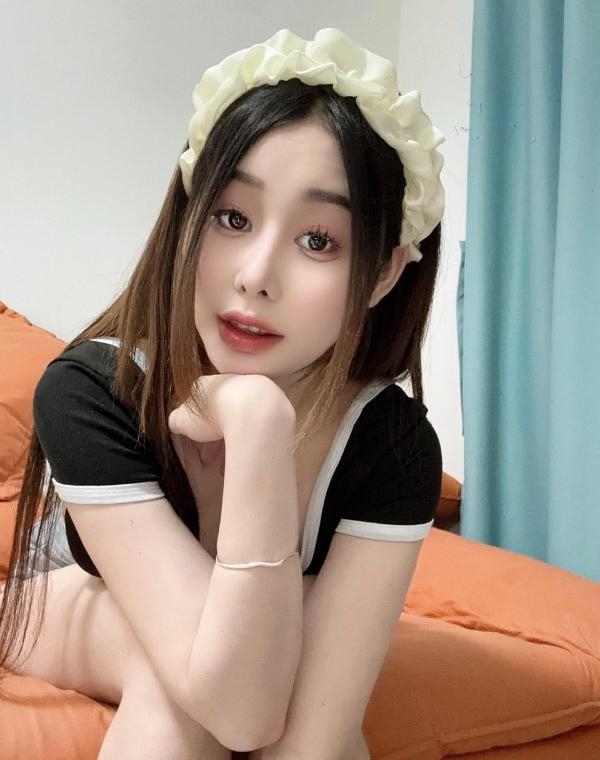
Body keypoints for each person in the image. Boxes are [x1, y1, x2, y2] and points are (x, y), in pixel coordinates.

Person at [0, 27, 444, 760]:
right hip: (68, 595)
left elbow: (308, 744)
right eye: (233, 218)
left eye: (319, 240)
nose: (255, 276)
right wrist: (260, 419)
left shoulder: (391, 444)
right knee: (181, 695)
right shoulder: (92, 391)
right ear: (189, 218)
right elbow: (239, 713)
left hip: (253, 639)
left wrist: (255, 443)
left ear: (384, 273)